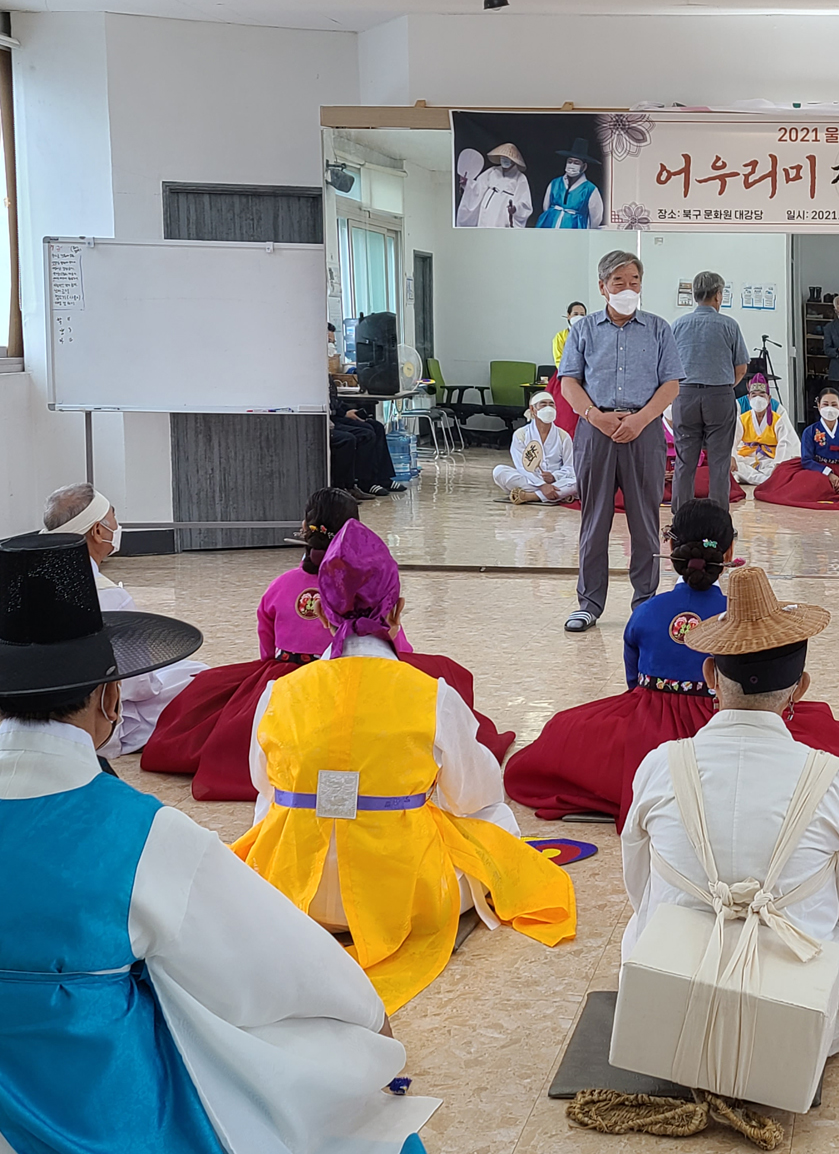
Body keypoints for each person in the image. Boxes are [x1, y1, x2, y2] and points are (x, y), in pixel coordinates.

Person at [0, 531, 440, 1153]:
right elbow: (274, 959)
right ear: (110, 697)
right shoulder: (139, 834)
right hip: (100, 1115)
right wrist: (365, 1012)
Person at [621, 565, 839, 1056]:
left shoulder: (660, 765)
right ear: (800, 688)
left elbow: (638, 888)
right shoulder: (835, 780)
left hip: (667, 1004)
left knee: (647, 915)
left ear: (710, 677)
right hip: (798, 1020)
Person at [232, 521, 576, 1011]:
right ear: (396, 612)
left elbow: (261, 785)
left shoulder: (279, 692)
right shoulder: (431, 696)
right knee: (495, 818)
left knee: (274, 808)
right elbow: (475, 795)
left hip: (292, 891)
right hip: (400, 901)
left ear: (323, 614)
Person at [504, 503, 839, 826]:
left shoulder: (645, 612)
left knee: (564, 731)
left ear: (671, 546)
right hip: (723, 714)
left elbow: (633, 684)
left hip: (648, 725)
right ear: (729, 552)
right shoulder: (739, 615)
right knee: (827, 733)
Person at [140, 488, 514, 800]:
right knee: (446, 676)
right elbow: (398, 649)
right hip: (366, 673)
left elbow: (266, 647)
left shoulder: (279, 586)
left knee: (206, 692)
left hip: (285, 673)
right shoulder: (369, 589)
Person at [559, 250, 683, 633]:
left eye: (634, 282)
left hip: (644, 432)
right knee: (594, 520)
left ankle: (645, 603)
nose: (628, 288)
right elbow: (569, 382)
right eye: (619, 282)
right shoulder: (583, 330)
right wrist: (595, 416)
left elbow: (671, 383)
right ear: (602, 287)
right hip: (595, 430)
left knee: (645, 522)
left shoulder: (659, 329)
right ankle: (589, 604)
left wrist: (642, 419)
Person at [41, 483, 208, 756]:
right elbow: (139, 685)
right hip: (94, 722)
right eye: (113, 518)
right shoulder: (110, 596)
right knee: (198, 676)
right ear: (98, 531)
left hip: (30, 709)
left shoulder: (24, 584)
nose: (117, 527)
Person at [670, 271, 748, 513]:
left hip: (685, 395)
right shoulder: (729, 325)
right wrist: (723, 386)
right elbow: (741, 368)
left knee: (684, 460)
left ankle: (681, 518)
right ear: (718, 295)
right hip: (719, 396)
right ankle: (718, 518)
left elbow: (667, 366)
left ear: (695, 295)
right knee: (719, 462)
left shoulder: (678, 325)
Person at [494, 390, 579, 504]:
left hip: (556, 481)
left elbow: (570, 467)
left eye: (551, 404)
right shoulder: (521, 434)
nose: (548, 408)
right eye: (543, 404)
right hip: (530, 480)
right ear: (533, 409)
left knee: (578, 481)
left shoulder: (563, 436)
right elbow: (521, 466)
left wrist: (554, 477)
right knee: (499, 471)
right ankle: (557, 494)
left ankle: (531, 496)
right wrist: (542, 485)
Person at [329, 374, 401, 497]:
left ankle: (383, 478)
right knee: (366, 434)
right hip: (330, 419)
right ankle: (365, 481)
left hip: (338, 414)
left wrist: (346, 411)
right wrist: (344, 414)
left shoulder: (327, 377)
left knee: (377, 427)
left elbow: (335, 401)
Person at [730, 374, 800, 485]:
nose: (758, 399)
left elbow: (785, 442)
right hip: (748, 458)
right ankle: (767, 481)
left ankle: (757, 479)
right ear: (749, 397)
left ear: (769, 398)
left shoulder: (777, 419)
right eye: (754, 395)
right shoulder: (743, 419)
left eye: (762, 395)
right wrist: (732, 456)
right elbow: (732, 439)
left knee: (781, 469)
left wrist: (778, 463)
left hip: (770, 459)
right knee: (734, 464)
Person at [535, 137, 604, 229]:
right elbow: (546, 206)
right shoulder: (555, 183)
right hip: (551, 224)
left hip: (575, 229)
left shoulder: (590, 189)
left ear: (584, 167)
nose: (572, 165)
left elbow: (596, 217)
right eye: (570, 162)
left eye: (576, 163)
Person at [463, 142, 533, 228]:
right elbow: (479, 187)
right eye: (503, 157)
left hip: (503, 212)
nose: (504, 160)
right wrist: (467, 183)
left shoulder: (520, 178)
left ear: (513, 161)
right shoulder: (493, 171)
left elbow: (525, 202)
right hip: (487, 210)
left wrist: (515, 209)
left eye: (507, 158)